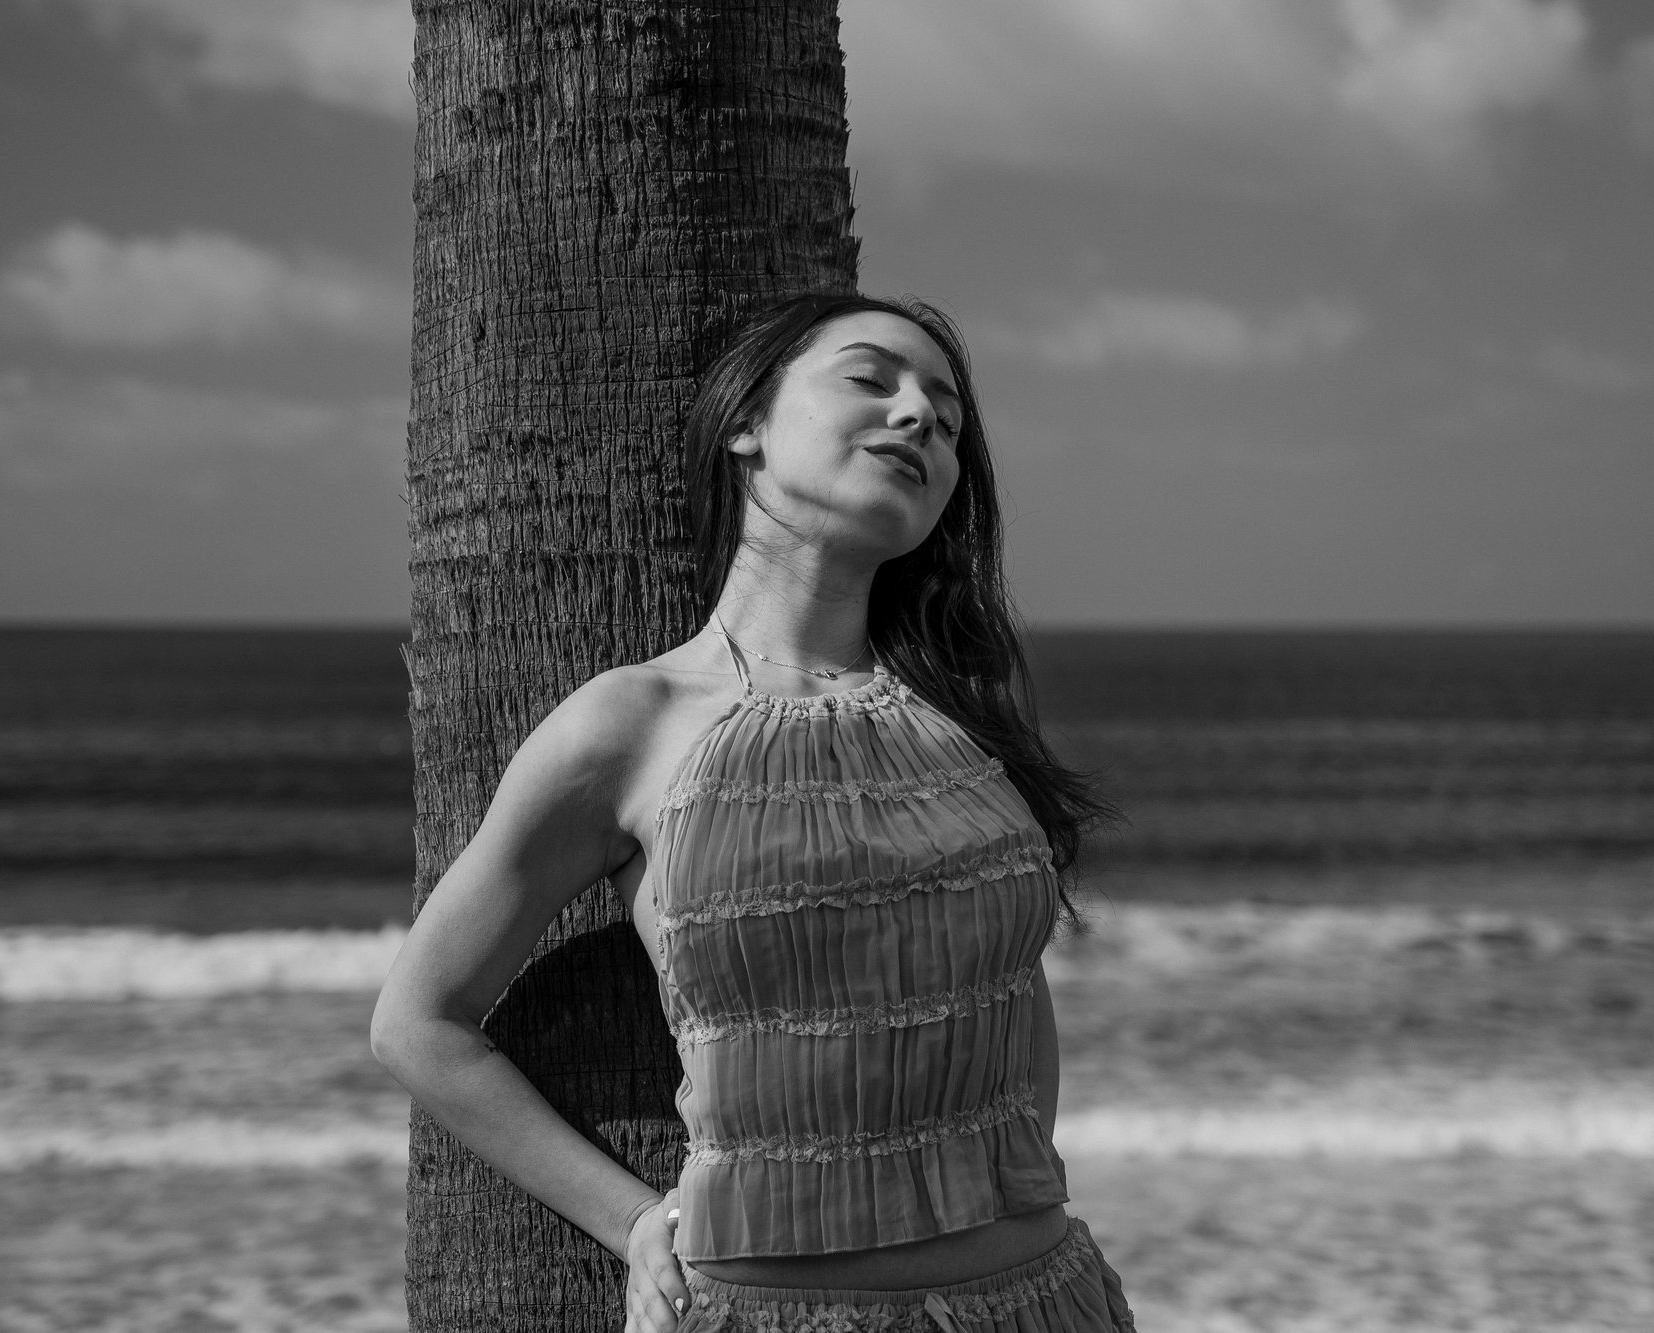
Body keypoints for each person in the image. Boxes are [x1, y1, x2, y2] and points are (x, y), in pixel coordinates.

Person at [370, 293, 1137, 1333]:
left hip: (1041, 1303)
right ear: (747, 424)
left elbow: (1012, 996)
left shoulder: (963, 722)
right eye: (872, 380)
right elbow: (418, 1021)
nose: (918, 419)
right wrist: (634, 1219)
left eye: (948, 421)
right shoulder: (627, 724)